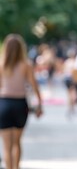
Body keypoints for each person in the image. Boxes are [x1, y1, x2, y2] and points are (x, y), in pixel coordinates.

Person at [0, 34, 43, 169]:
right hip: (20, 104)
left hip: (4, 104)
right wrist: (39, 103)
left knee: (6, 146)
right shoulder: (26, 65)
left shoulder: (1, 64)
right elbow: (34, 84)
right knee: (17, 143)